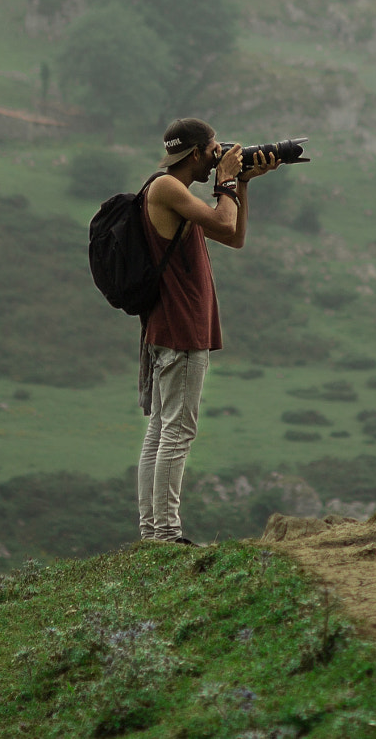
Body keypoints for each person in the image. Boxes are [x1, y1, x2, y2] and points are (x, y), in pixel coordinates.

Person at [135, 116, 276, 545]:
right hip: (180, 329)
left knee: (163, 430)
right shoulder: (166, 188)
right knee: (175, 433)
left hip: (175, 327)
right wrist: (227, 181)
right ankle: (165, 534)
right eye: (214, 150)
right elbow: (221, 222)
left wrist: (241, 184)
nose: (218, 157)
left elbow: (231, 235)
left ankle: (153, 532)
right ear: (195, 153)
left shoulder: (177, 194)